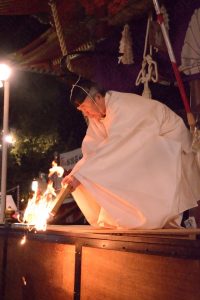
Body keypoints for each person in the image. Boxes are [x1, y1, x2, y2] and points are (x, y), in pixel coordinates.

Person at [62, 78, 200, 229]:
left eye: (86, 108)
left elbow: (118, 145)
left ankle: (156, 219)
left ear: (98, 98)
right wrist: (76, 174)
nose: (86, 113)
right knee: (111, 170)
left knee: (128, 167)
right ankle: (125, 220)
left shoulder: (122, 106)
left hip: (168, 143)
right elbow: (92, 151)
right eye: (82, 111)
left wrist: (82, 174)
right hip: (148, 146)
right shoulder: (97, 117)